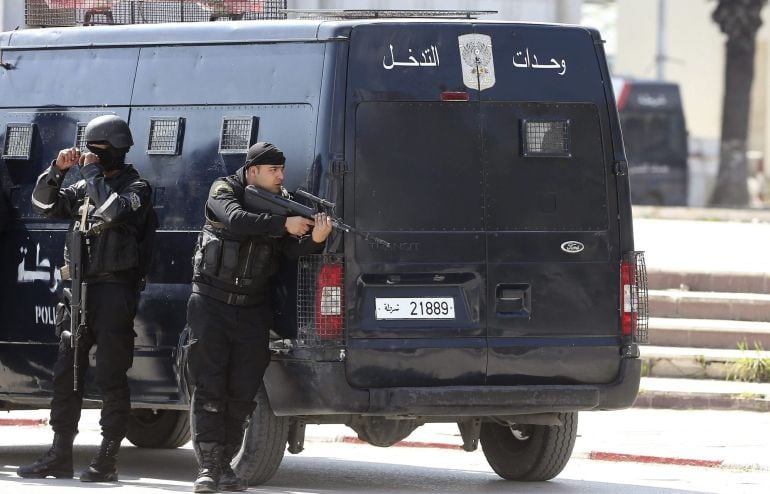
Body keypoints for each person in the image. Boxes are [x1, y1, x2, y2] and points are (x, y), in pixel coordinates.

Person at [186, 142, 332, 493]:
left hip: (253, 308)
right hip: (212, 303)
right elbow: (236, 220)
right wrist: (285, 223)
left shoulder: (281, 202)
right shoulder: (224, 190)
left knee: (242, 391)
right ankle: (208, 467)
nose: (281, 176)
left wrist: (315, 237)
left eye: (281, 170)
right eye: (273, 170)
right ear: (252, 172)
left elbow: (290, 251)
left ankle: (224, 466)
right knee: (210, 387)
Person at [17, 115, 153, 482]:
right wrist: (56, 171)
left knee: (111, 376)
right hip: (78, 291)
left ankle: (106, 460)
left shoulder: (137, 188)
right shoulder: (83, 186)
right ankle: (59, 454)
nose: (91, 156)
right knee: (67, 375)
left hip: (114, 292)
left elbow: (112, 212)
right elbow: (43, 206)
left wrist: (91, 176)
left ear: (117, 150)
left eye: (98, 150)